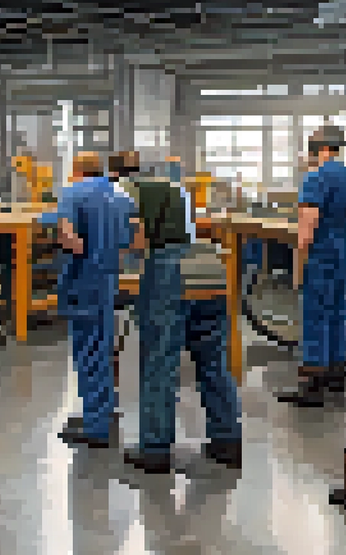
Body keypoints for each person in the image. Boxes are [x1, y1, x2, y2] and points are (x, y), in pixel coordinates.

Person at [120, 162, 242, 473]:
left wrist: (123, 251)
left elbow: (136, 239)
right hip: (210, 272)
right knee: (213, 361)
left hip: (168, 275)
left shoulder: (132, 196)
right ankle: (227, 441)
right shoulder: (179, 197)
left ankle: (155, 448)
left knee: (160, 363)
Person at [56, 151, 134, 448]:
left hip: (84, 278)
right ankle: (106, 409)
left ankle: (95, 425)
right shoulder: (121, 195)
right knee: (103, 344)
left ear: (76, 170)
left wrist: (79, 250)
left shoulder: (73, 193)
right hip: (108, 278)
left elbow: (68, 237)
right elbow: (131, 241)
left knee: (87, 349)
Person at [281, 124, 346, 407]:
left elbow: (307, 229)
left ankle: (312, 388)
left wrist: (298, 262)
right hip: (342, 253)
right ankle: (336, 378)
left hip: (320, 255)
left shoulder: (315, 178)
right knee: (338, 313)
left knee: (315, 316)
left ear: (321, 149)